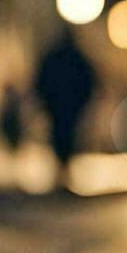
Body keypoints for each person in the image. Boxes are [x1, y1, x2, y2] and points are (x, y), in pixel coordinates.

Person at [35, 29, 95, 186]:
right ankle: (63, 164)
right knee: (67, 134)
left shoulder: (55, 57)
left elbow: (41, 80)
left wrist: (44, 100)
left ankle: (62, 165)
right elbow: (88, 80)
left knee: (60, 133)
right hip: (69, 105)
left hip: (58, 104)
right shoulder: (76, 58)